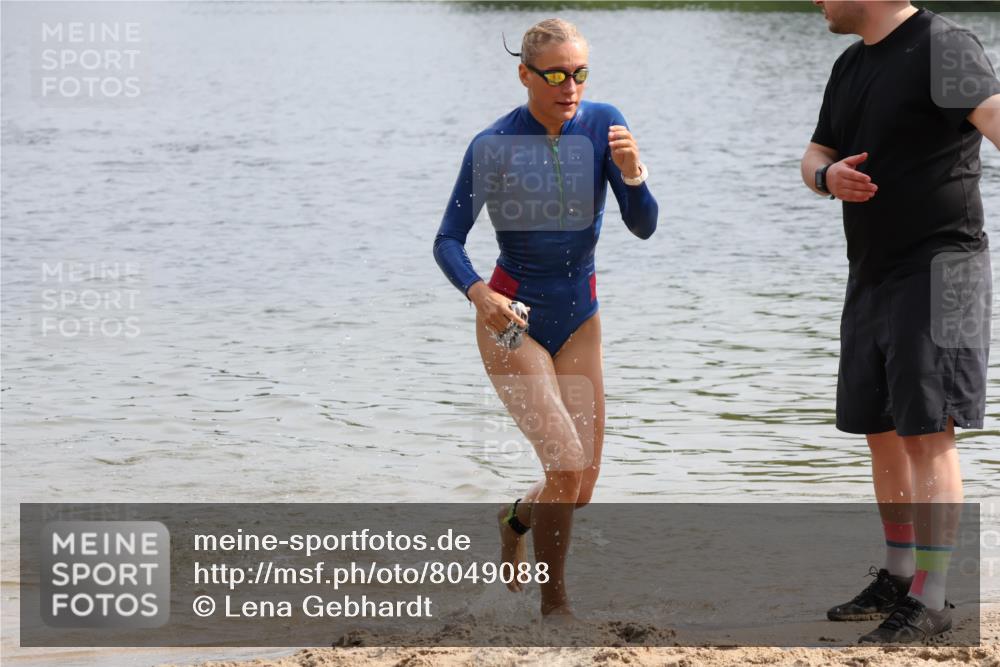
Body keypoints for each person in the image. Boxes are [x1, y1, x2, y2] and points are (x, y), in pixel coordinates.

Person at [433, 18, 658, 617]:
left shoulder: (604, 125)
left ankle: (513, 521)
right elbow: (448, 240)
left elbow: (643, 226)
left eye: (579, 73)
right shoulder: (494, 144)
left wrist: (633, 174)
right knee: (564, 464)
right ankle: (555, 608)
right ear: (525, 75)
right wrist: (479, 294)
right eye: (556, 75)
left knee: (579, 488)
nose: (570, 87)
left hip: (581, 318)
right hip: (513, 320)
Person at [801, 0, 1000, 644]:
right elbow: (816, 153)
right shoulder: (850, 64)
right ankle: (899, 574)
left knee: (928, 433)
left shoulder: (945, 46)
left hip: (943, 269)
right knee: (880, 429)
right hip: (871, 271)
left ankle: (932, 599)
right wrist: (827, 177)